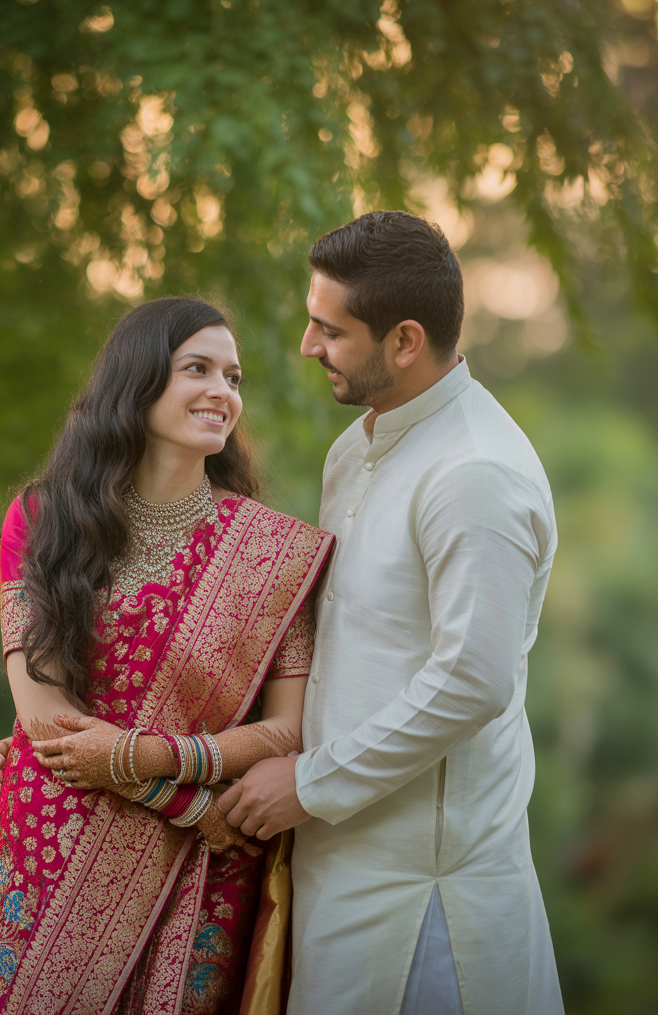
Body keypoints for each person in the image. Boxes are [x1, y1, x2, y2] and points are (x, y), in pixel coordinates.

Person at [217, 211, 564, 1014]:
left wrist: (307, 783)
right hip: (339, 878)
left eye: (329, 330)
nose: (309, 347)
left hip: (427, 907)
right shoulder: (360, 447)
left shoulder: (475, 472)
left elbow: (473, 682)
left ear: (404, 341)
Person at [0, 296, 333, 1015]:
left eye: (234, 378)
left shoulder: (275, 554)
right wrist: (191, 804)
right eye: (197, 369)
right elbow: (45, 722)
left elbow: (289, 732)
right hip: (57, 842)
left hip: (199, 875)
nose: (222, 392)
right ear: (136, 383)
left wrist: (149, 759)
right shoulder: (44, 520)